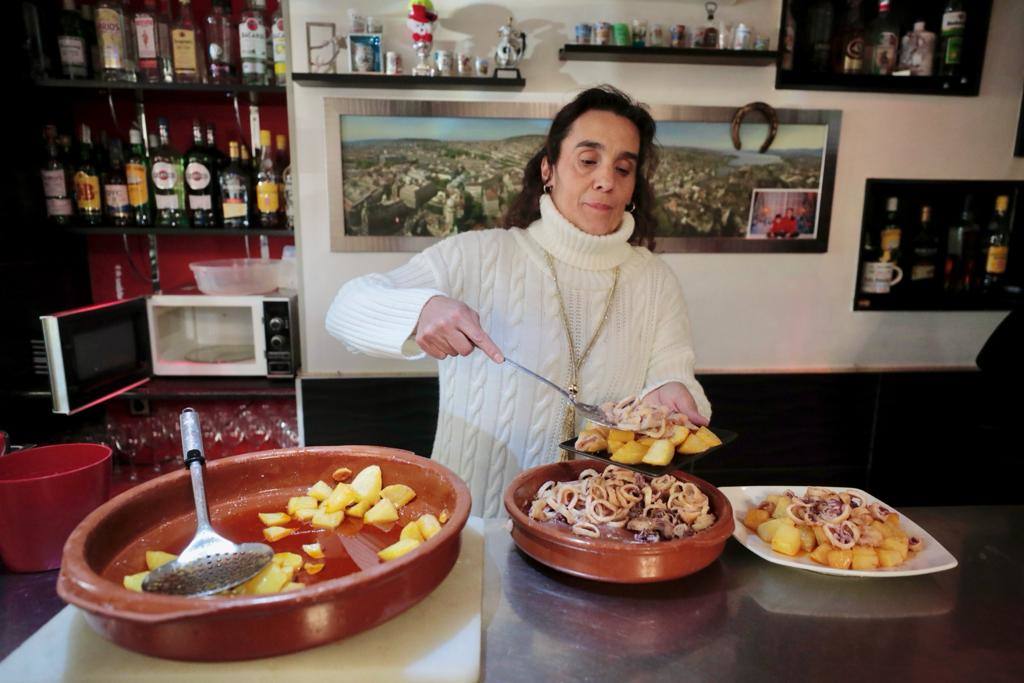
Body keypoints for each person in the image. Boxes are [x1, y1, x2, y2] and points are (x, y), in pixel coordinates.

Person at [326, 85, 711, 516]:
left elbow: (675, 377)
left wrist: (674, 395)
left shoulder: (655, 281)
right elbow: (344, 308)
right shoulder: (477, 256)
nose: (606, 180)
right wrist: (419, 310)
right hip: (473, 524)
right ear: (549, 169)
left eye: (623, 169)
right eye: (588, 161)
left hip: (601, 533)